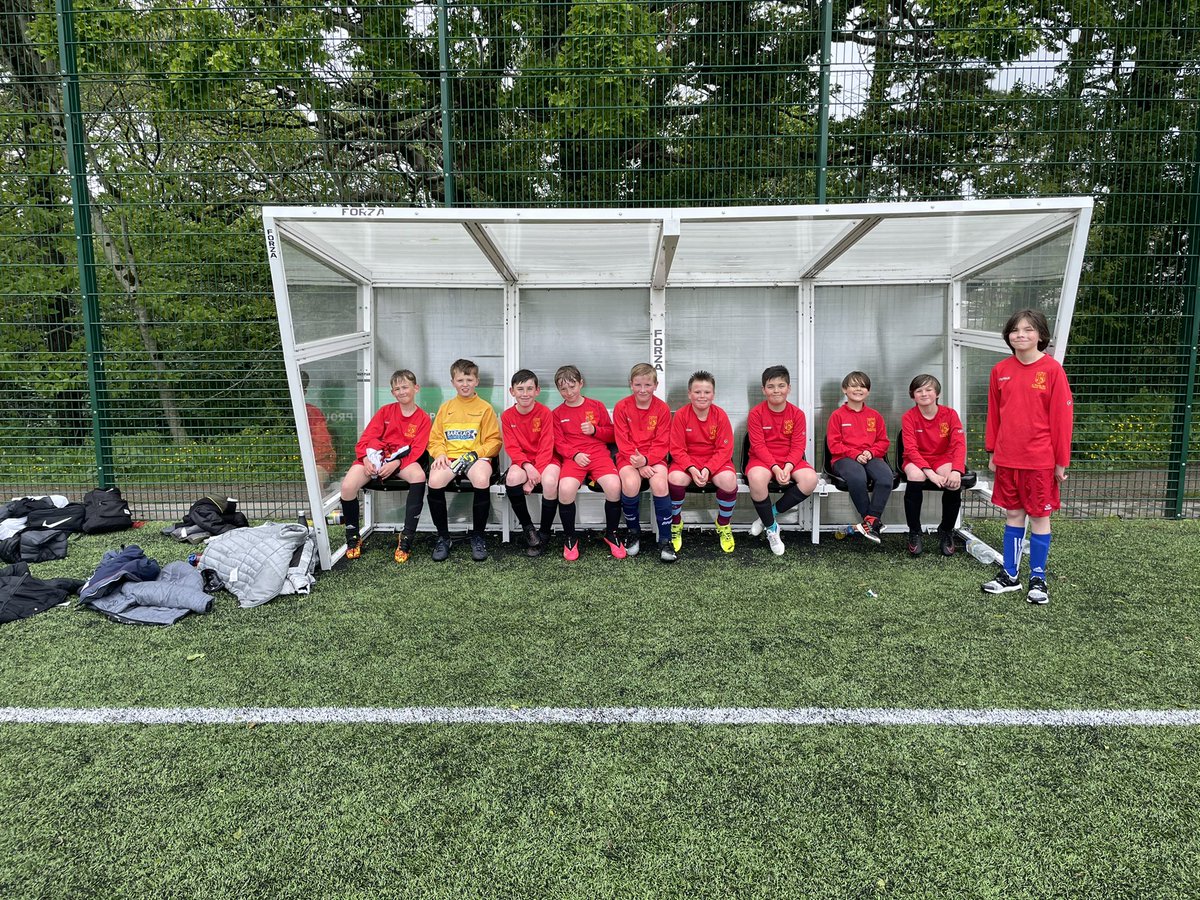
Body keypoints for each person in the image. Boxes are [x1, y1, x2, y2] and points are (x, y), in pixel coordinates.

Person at [981, 309, 1073, 605]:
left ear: (1041, 335)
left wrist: (1061, 461)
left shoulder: (1052, 370)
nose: (1020, 335)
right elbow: (994, 415)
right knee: (1013, 515)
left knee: (1040, 517)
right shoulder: (1000, 370)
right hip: (1008, 458)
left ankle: (1038, 578)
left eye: (1028, 329)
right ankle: (1010, 575)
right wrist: (993, 451)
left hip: (1040, 460)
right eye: (1015, 330)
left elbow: (1062, 420)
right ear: (1008, 336)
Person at [338, 369, 430, 563]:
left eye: (405, 387)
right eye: (397, 389)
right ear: (392, 393)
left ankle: (406, 537)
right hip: (376, 458)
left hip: (402, 460)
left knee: (419, 476)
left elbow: (417, 449)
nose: (401, 391)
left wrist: (396, 463)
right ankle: (353, 536)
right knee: (347, 486)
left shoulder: (422, 418)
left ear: (416, 388)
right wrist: (366, 459)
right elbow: (367, 438)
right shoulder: (385, 411)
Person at [426, 358, 502, 563]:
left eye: (469, 379)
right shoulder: (446, 408)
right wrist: (440, 453)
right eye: (460, 380)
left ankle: (478, 537)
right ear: (453, 382)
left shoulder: (485, 408)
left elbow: (494, 441)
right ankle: (443, 538)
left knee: (481, 479)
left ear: (476, 381)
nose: (465, 384)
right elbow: (435, 439)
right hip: (450, 457)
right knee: (434, 481)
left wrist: (476, 454)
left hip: (475, 457)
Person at [552, 365, 626, 561]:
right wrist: (574, 454)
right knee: (565, 489)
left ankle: (611, 534)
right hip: (574, 459)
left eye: (572, 386)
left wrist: (595, 430)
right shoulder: (557, 414)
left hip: (599, 456)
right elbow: (558, 443)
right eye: (563, 389)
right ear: (558, 390)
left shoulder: (597, 406)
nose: (569, 392)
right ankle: (570, 537)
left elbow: (612, 434)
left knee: (614, 486)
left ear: (581, 384)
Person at [745, 365, 818, 556]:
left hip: (790, 460)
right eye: (771, 386)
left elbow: (798, 445)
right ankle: (772, 528)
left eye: (781, 385)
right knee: (756, 478)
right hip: (763, 459)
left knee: (810, 479)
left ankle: (768, 515)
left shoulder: (797, 414)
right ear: (763, 390)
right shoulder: (756, 413)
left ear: (789, 388)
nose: (776, 390)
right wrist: (776, 468)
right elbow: (758, 445)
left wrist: (787, 466)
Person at [667, 370, 737, 554]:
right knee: (674, 478)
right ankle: (676, 523)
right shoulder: (681, 415)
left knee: (729, 480)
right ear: (689, 394)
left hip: (714, 462)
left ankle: (723, 523)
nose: (702, 396)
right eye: (697, 392)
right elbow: (677, 448)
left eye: (707, 392)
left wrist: (708, 468)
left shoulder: (720, 415)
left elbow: (725, 449)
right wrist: (691, 468)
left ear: (713, 394)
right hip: (688, 462)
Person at [613, 363, 675, 563]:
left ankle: (665, 539)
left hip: (654, 458)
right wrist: (639, 463)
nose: (642, 389)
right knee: (631, 483)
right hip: (628, 457)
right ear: (631, 384)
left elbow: (662, 442)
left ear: (655, 385)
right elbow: (622, 441)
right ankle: (633, 532)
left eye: (647, 385)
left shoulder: (662, 408)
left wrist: (647, 460)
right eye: (638, 384)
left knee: (660, 483)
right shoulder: (622, 407)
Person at [900, 373, 966, 557]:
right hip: (916, 459)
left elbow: (959, 444)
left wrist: (956, 470)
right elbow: (911, 449)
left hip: (942, 457)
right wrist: (930, 473)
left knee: (953, 481)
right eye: (919, 390)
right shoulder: (909, 417)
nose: (924, 394)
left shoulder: (950, 414)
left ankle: (946, 530)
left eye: (928, 389)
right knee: (916, 475)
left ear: (937, 393)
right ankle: (914, 531)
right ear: (913, 395)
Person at [827, 370, 892, 544]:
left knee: (886, 477)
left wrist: (871, 452)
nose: (858, 389)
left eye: (863, 386)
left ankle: (871, 521)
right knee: (857, 476)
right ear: (844, 389)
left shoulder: (875, 416)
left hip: (870, 457)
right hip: (843, 459)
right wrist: (855, 454)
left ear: (868, 391)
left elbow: (883, 442)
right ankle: (871, 522)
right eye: (854, 385)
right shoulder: (837, 415)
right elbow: (834, 445)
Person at [501, 369, 561, 557]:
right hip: (523, 461)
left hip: (547, 459)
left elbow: (546, 446)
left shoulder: (545, 413)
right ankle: (528, 529)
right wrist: (527, 468)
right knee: (512, 479)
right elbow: (512, 447)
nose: (525, 394)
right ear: (512, 391)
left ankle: (544, 533)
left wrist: (533, 479)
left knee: (550, 481)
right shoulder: (507, 416)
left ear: (537, 391)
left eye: (529, 389)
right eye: (520, 389)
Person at [301, 370, 337, 486]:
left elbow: (323, 443)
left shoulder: (313, 412)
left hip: (317, 461)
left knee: (316, 478)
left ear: (304, 392)